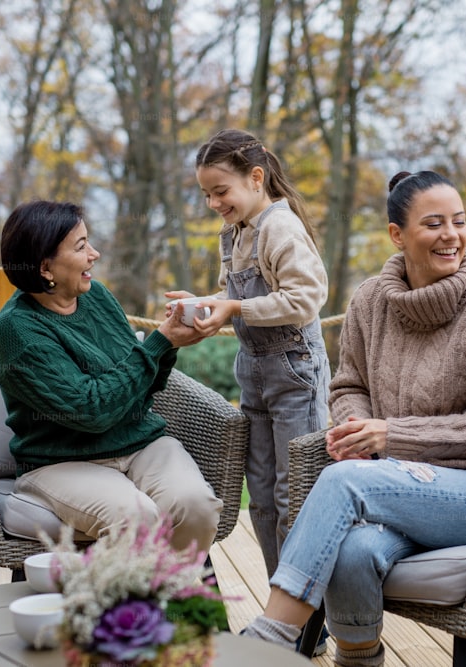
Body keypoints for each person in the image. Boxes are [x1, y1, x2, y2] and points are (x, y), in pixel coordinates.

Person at [239, 170, 466, 667]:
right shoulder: (369, 301)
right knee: (354, 550)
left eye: (459, 221)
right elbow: (349, 386)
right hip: (404, 484)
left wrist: (393, 435)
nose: (451, 234)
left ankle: (270, 638)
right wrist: (356, 429)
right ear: (397, 234)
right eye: (434, 223)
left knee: (343, 483)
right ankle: (359, 657)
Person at [0, 200, 223, 553]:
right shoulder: (16, 329)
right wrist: (158, 343)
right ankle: (122, 605)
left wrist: (171, 341)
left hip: (139, 443)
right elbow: (91, 411)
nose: (94, 254)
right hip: (61, 462)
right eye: (81, 247)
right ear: (45, 267)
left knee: (197, 506)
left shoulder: (96, 296)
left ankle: (164, 597)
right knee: (137, 518)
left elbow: (143, 384)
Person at [167, 128, 330, 581]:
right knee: (259, 495)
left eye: (220, 191)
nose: (213, 203)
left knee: (295, 495)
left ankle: (308, 615)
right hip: (254, 375)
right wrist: (203, 304)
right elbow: (235, 295)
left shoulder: (281, 227)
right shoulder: (236, 232)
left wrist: (233, 307)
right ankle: (284, 604)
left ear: (256, 178)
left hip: (295, 374)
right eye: (206, 194)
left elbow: (306, 299)